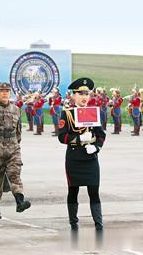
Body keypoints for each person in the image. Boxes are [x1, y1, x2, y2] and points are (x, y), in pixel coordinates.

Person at [58, 77, 106, 231]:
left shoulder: (94, 113)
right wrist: (78, 138)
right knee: (73, 190)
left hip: (90, 157)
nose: (84, 97)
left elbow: (101, 135)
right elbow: (62, 136)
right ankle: (73, 223)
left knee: (94, 190)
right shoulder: (67, 114)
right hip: (74, 158)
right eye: (80, 94)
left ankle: (98, 224)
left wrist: (96, 147)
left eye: (87, 94)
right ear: (73, 96)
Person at [0, 82, 31, 219]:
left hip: (12, 148)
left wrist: (16, 145)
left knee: (14, 174)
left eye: (7, 91)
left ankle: (20, 202)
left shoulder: (16, 109)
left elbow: (18, 131)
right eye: (2, 91)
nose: (4, 93)